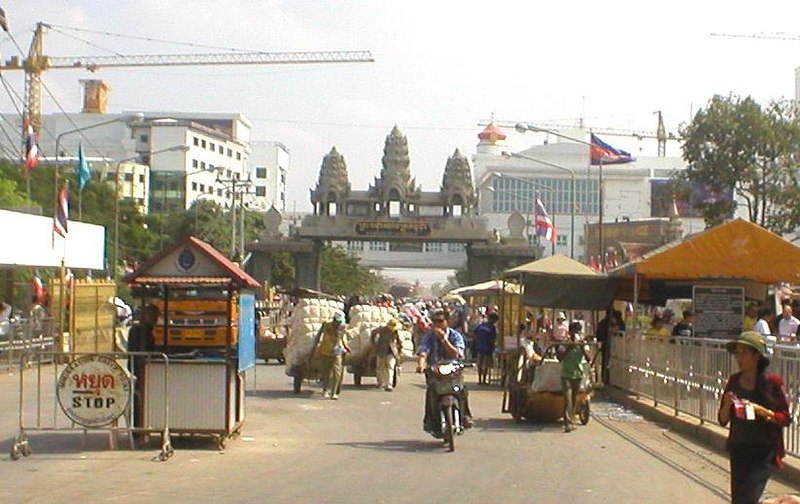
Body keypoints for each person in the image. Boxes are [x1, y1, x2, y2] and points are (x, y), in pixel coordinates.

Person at [718, 331, 791, 503]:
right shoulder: (734, 381)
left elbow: (785, 418)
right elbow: (722, 420)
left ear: (756, 355)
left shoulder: (771, 383)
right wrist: (727, 405)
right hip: (739, 447)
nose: (739, 358)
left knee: (747, 498)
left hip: (763, 451)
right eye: (737, 352)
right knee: (739, 499)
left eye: (744, 352)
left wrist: (763, 412)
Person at [416, 309, 473, 436]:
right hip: (435, 371)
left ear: (447, 322)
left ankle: (465, 416)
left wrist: (443, 339)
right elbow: (423, 351)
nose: (437, 324)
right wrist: (421, 364)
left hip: (453, 371)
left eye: (440, 321)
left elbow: (457, 354)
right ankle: (430, 421)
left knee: (462, 391)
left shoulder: (455, 336)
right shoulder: (429, 336)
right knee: (431, 392)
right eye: (434, 321)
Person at [560, 322, 592, 433]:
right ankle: (568, 422)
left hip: (577, 375)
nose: (575, 334)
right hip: (566, 375)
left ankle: (572, 419)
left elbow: (589, 358)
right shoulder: (565, 342)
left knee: (574, 398)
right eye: (574, 331)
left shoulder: (582, 343)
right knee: (568, 399)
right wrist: (569, 347)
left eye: (577, 331)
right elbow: (560, 357)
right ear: (570, 332)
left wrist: (582, 347)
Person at [312, 311, 350, 400]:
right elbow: (318, 335)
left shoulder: (342, 327)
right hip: (325, 350)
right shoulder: (326, 325)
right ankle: (325, 390)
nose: (338, 323)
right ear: (334, 319)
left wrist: (346, 347)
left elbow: (342, 338)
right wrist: (314, 346)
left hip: (337, 352)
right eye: (337, 321)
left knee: (337, 373)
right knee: (326, 372)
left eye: (340, 321)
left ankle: (333, 393)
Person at [370, 318, 402, 391]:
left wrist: (398, 350)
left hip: (391, 352)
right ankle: (380, 383)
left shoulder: (395, 331)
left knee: (390, 367)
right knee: (380, 367)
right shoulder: (380, 330)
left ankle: (389, 385)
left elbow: (399, 341)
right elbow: (373, 335)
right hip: (381, 351)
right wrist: (374, 345)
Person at [596, 308, 624, 385]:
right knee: (606, 363)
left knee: (615, 363)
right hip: (606, 345)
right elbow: (600, 335)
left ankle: (614, 380)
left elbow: (622, 331)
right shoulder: (603, 323)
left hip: (617, 346)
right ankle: (606, 380)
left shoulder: (618, 322)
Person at [473, 312, 498, 385]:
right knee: (486, 365)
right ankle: (483, 380)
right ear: (493, 320)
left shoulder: (481, 325)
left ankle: (480, 380)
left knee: (480, 364)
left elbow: (475, 333)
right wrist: (493, 346)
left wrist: (478, 341)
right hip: (487, 348)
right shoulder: (492, 327)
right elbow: (493, 339)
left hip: (480, 347)